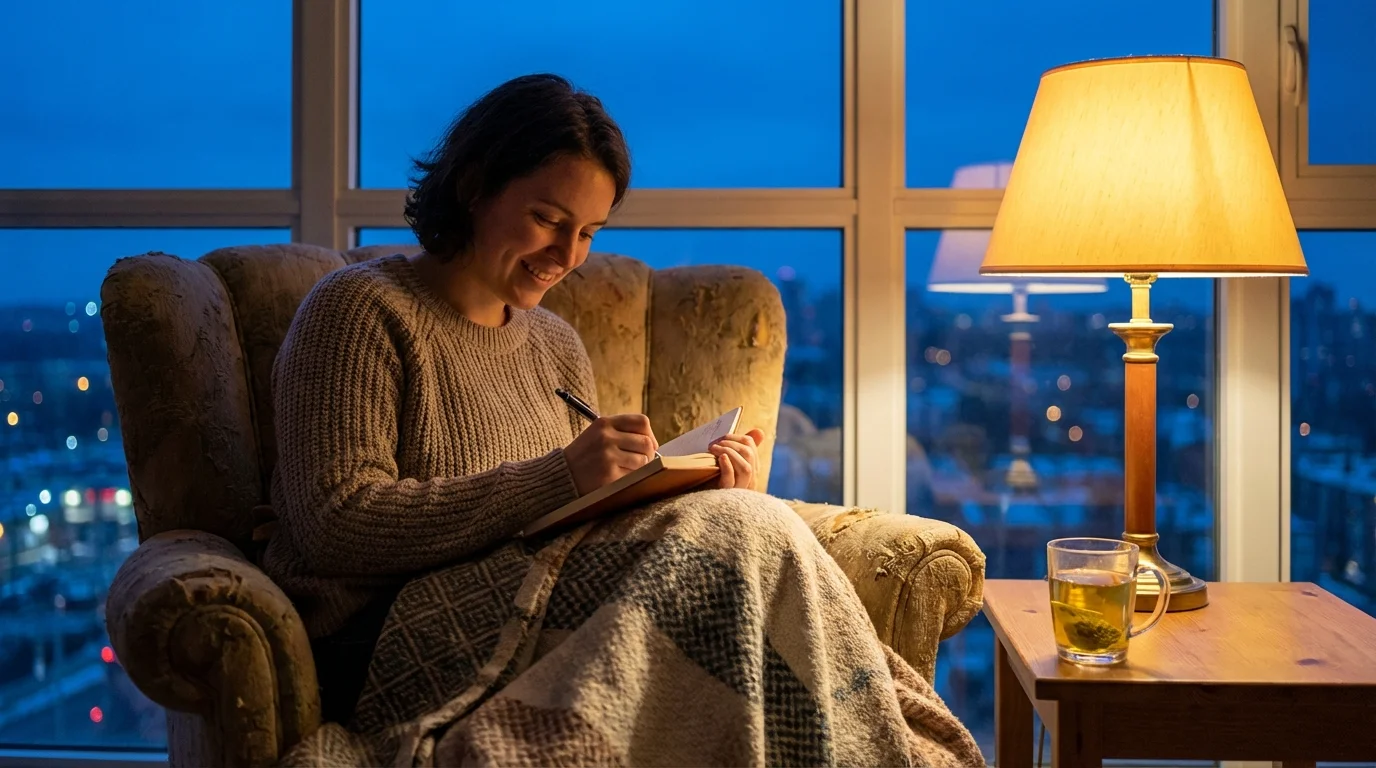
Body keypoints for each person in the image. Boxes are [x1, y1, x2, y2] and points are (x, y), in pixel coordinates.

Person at [265, 74, 980, 767]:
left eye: (588, 232)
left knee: (740, 520)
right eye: (548, 219)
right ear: (474, 184)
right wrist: (559, 476)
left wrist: (686, 488)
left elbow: (572, 526)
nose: (567, 257)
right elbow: (333, 521)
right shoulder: (358, 311)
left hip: (536, 605)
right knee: (741, 532)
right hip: (394, 634)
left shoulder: (553, 341)